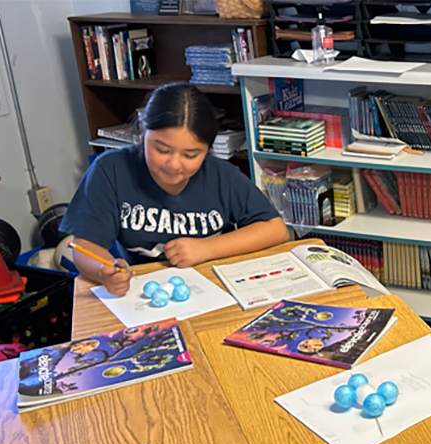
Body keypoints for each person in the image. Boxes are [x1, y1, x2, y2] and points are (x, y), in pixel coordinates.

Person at [61, 83, 289, 296]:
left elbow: (276, 229)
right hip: (142, 290)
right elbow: (85, 246)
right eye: (162, 150)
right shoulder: (110, 170)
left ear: (207, 150)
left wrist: (207, 249)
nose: (174, 164)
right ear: (142, 131)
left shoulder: (222, 176)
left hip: (214, 287)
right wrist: (104, 271)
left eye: (190, 155)